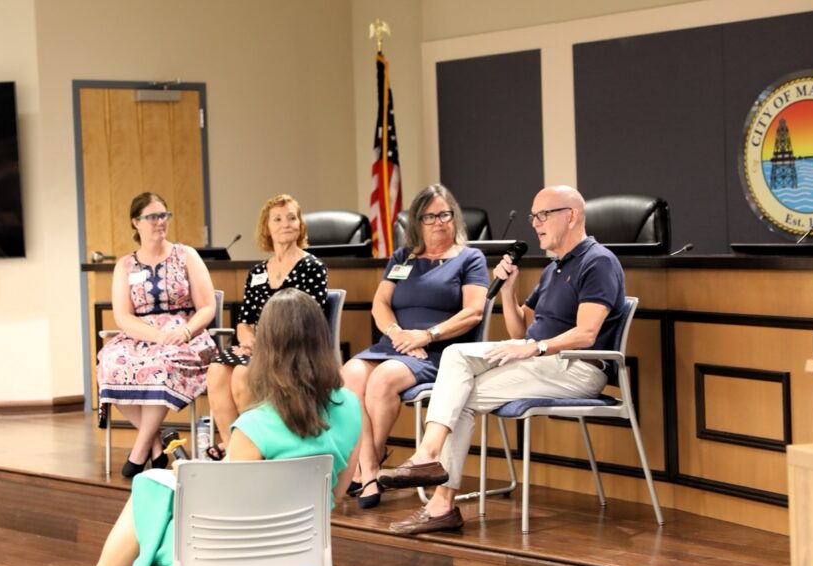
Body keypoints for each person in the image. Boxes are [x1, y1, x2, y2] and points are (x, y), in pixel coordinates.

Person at [18, 289, 361, 566]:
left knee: (147, 550)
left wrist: (189, 479)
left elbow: (222, 512)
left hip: (240, 563)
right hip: (301, 557)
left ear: (267, 346)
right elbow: (337, 494)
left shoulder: (255, 425)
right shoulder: (351, 407)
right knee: (155, 484)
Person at [378, 185, 626, 534]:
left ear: (570, 216)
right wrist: (509, 293)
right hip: (540, 361)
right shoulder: (553, 267)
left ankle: (438, 496)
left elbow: (586, 333)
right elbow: (520, 329)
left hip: (577, 367)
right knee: (455, 355)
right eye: (533, 216)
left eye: (544, 215)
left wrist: (535, 347)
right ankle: (430, 463)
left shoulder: (597, 261)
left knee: (457, 397)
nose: (535, 223)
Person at [340, 184, 489, 509]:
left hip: (441, 351)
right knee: (349, 374)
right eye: (430, 216)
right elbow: (380, 303)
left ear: (455, 217)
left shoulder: (470, 258)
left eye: (445, 214)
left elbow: (473, 312)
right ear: (417, 223)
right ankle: (371, 468)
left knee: (382, 379)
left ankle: (368, 466)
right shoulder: (403, 257)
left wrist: (427, 335)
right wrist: (397, 334)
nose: (439, 222)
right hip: (397, 344)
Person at [97, 192, 217, 478]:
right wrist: (155, 335)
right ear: (135, 223)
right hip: (141, 334)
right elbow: (123, 317)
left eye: (163, 215)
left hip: (185, 334)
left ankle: (139, 451)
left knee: (161, 364)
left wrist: (185, 330)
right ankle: (154, 443)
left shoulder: (186, 255)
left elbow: (208, 307)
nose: (160, 222)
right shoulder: (125, 265)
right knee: (109, 361)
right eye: (152, 217)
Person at [207, 194, 327, 454]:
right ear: (267, 227)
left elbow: (311, 319)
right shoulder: (258, 272)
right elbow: (244, 322)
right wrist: (248, 341)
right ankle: (231, 447)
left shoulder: (312, 266)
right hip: (258, 347)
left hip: (295, 347)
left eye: (292, 218)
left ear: (300, 225)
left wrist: (263, 344)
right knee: (217, 370)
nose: (286, 223)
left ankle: (257, 447)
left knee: (242, 374)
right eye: (278, 219)